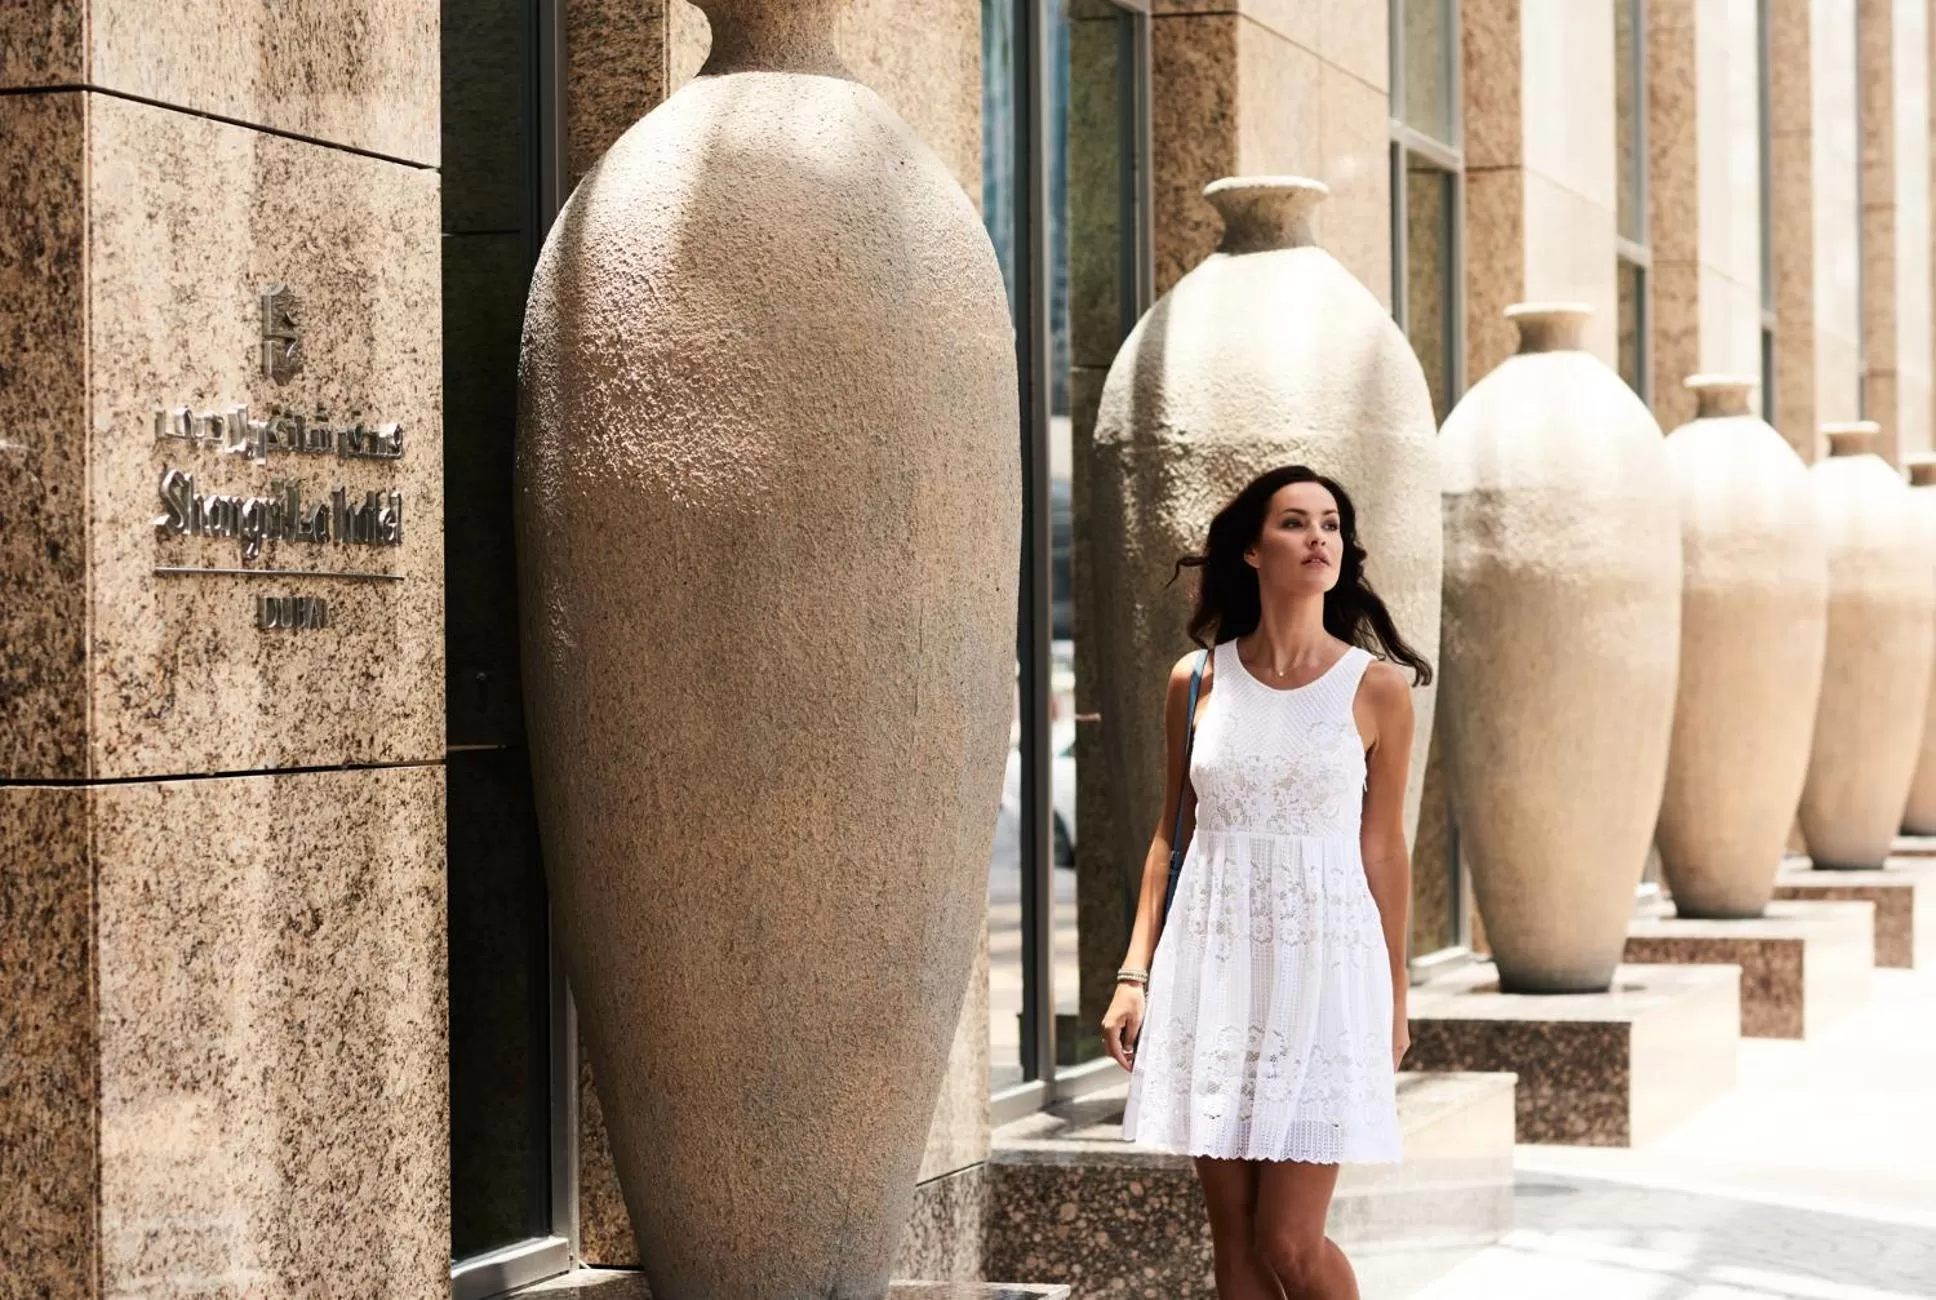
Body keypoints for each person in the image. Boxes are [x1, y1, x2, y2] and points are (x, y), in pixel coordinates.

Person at [1102, 465, 1429, 1300]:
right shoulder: (1197, 680)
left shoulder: (1377, 689)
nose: (1318, 538)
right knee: (1236, 1242)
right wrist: (1134, 975)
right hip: (1214, 969)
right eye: (1294, 522)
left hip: (1326, 976)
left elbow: (1385, 853)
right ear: (1251, 549)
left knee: (1289, 1241)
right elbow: (1171, 835)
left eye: (1330, 523)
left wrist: (1393, 995)